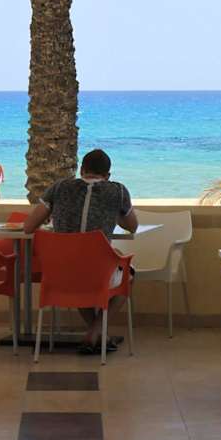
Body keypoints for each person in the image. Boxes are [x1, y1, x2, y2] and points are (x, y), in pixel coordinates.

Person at [23, 148, 138, 354]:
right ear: (108, 175)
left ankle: (94, 331)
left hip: (59, 274)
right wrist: (115, 213)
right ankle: (96, 331)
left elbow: (29, 227)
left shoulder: (58, 188)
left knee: (74, 274)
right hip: (97, 274)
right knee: (128, 275)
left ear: (82, 169)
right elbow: (133, 226)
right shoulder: (118, 191)